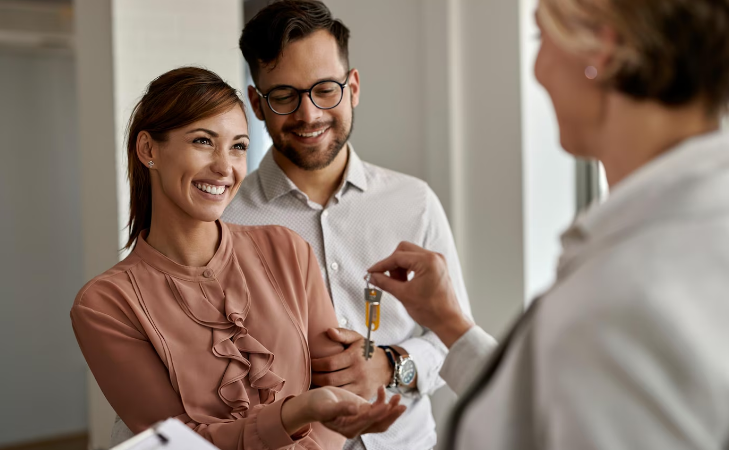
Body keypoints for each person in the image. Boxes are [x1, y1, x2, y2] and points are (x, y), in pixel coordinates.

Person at [367, 0, 729, 448]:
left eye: (542, 37)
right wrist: (448, 323)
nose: (538, 70)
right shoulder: (686, 235)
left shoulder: (629, 297)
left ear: (603, 49)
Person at [71, 67, 405, 450]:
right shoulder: (105, 304)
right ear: (148, 150)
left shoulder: (288, 250)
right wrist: (297, 412)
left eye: (239, 146)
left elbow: (335, 390)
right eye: (202, 141)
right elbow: (180, 443)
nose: (224, 166)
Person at [222, 2, 487, 449]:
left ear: (354, 87)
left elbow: (452, 337)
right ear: (257, 105)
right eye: (284, 95)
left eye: (325, 89)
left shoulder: (414, 202)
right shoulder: (226, 221)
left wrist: (388, 364)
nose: (309, 115)